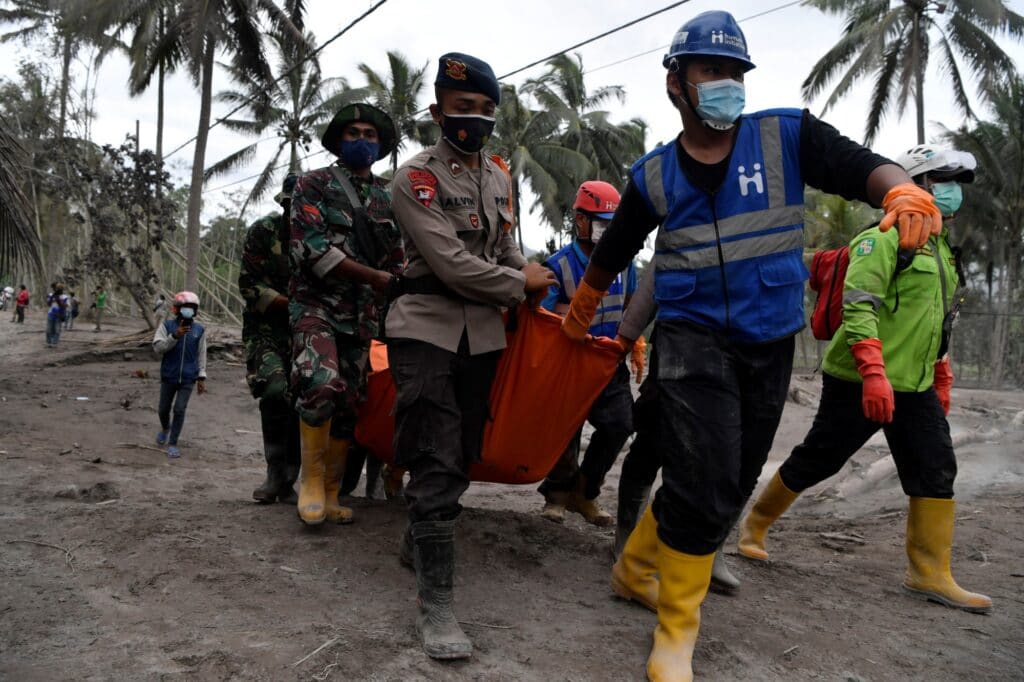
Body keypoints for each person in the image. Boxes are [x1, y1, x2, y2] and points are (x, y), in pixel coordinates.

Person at [561, 12, 944, 680]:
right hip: (689, 337)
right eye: (711, 70)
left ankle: (634, 568)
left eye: (735, 72)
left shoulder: (784, 137)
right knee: (704, 478)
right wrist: (582, 311)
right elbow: (615, 249)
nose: (727, 85)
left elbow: (860, 166)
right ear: (677, 83)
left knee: (732, 481)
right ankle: (676, 634)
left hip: (768, 338)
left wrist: (900, 189)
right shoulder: (653, 176)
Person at [737, 146, 991, 614]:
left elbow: (938, 320)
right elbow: (859, 305)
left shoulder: (940, 251)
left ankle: (929, 573)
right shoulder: (882, 238)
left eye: (957, 182)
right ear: (915, 185)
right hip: (858, 378)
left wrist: (941, 374)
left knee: (936, 466)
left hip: (913, 386)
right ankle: (754, 525)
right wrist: (873, 374)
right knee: (820, 459)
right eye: (943, 180)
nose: (953, 191)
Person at [386, 52, 557, 660]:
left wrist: (538, 274)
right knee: (434, 452)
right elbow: (452, 265)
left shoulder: (498, 175)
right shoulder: (416, 179)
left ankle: (419, 533)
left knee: (462, 452)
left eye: (486, 110)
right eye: (463, 109)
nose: (475, 120)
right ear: (437, 112)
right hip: (426, 325)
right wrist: (519, 284)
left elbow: (503, 246)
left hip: (484, 334)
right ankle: (436, 607)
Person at [289, 102, 405, 526]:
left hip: (362, 315)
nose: (362, 140)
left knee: (352, 404)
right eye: (353, 133)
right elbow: (311, 251)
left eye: (370, 135)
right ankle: (313, 481)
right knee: (322, 385)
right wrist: (376, 277)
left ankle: (334, 491)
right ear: (338, 141)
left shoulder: (389, 195)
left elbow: (399, 258)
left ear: (381, 145)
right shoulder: (313, 185)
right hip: (316, 306)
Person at [612, 265, 742, 596]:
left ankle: (711, 547)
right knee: (653, 437)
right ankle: (627, 533)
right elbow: (657, 273)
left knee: (726, 453)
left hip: (746, 338)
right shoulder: (690, 214)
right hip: (681, 336)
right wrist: (625, 337)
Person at [536, 180, 638, 526]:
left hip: (609, 359)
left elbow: (630, 302)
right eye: (600, 223)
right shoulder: (559, 265)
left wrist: (633, 341)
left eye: (612, 224)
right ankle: (558, 496)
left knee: (621, 424)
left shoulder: (625, 262)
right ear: (581, 221)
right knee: (567, 431)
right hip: (570, 361)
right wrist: (566, 310)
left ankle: (585, 491)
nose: (607, 230)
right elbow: (543, 316)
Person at [239, 174, 302, 504]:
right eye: (292, 204)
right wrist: (293, 304)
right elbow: (250, 286)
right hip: (267, 330)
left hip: (308, 331)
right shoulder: (264, 231)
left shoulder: (324, 240)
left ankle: (290, 477)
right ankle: (274, 472)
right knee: (276, 390)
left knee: (303, 401)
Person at [152, 291, 207, 458]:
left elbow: (202, 353)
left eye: (192, 308)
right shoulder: (167, 326)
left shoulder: (199, 330)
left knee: (179, 409)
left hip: (188, 378)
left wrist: (201, 376)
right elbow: (158, 348)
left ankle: (173, 443)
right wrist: (175, 336)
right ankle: (165, 428)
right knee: (163, 409)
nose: (188, 310)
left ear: (196, 310)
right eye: (185, 307)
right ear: (177, 309)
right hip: (169, 376)